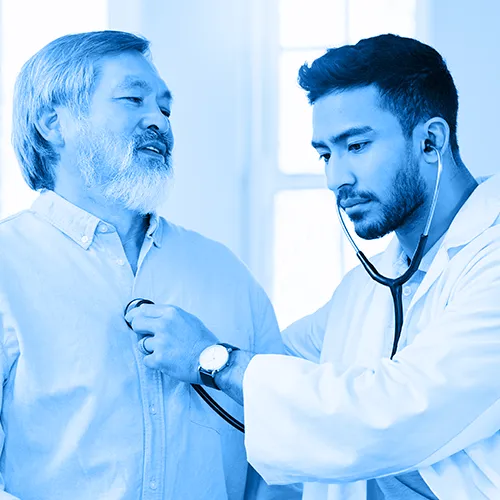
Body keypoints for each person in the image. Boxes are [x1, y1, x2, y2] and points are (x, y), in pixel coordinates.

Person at [125, 34, 500, 499]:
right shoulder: (365, 288)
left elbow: (400, 408)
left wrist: (211, 359)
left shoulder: (491, 260)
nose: (335, 178)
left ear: (430, 141)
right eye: (325, 154)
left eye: (356, 146)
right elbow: (276, 363)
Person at [0, 30, 301, 500]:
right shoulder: (7, 266)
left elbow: (281, 446)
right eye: (132, 99)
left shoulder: (223, 272)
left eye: (165, 106)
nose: (159, 120)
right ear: (52, 124)